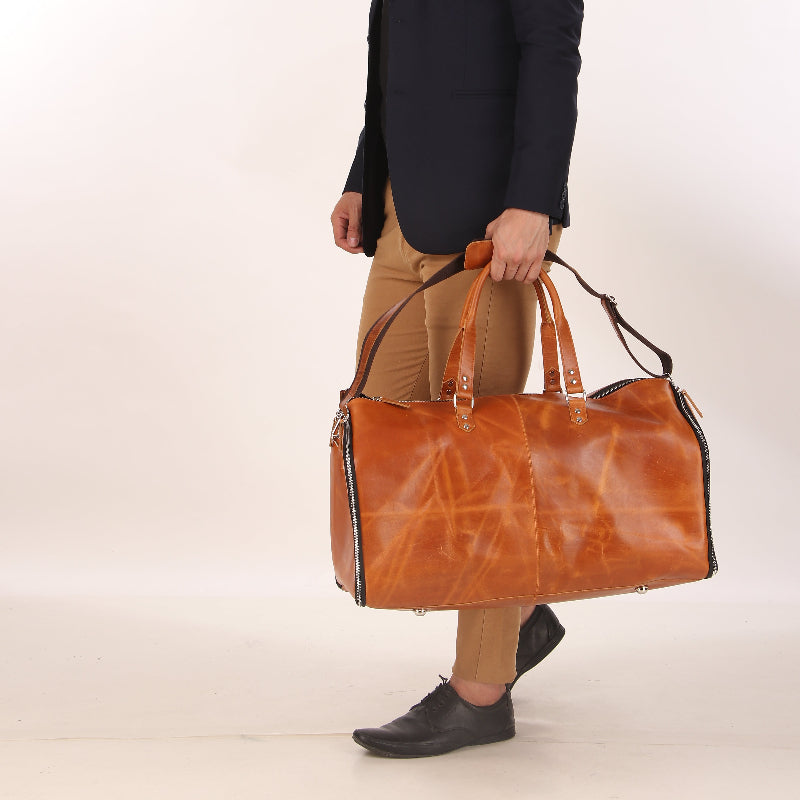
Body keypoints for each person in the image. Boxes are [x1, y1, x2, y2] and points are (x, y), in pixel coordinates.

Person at [330, 0, 584, 758]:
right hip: (402, 215)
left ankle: (480, 692)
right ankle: (522, 608)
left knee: (488, 461)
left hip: (492, 224)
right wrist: (362, 178)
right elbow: (396, 76)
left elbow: (551, 59)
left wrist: (534, 203)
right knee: (383, 425)